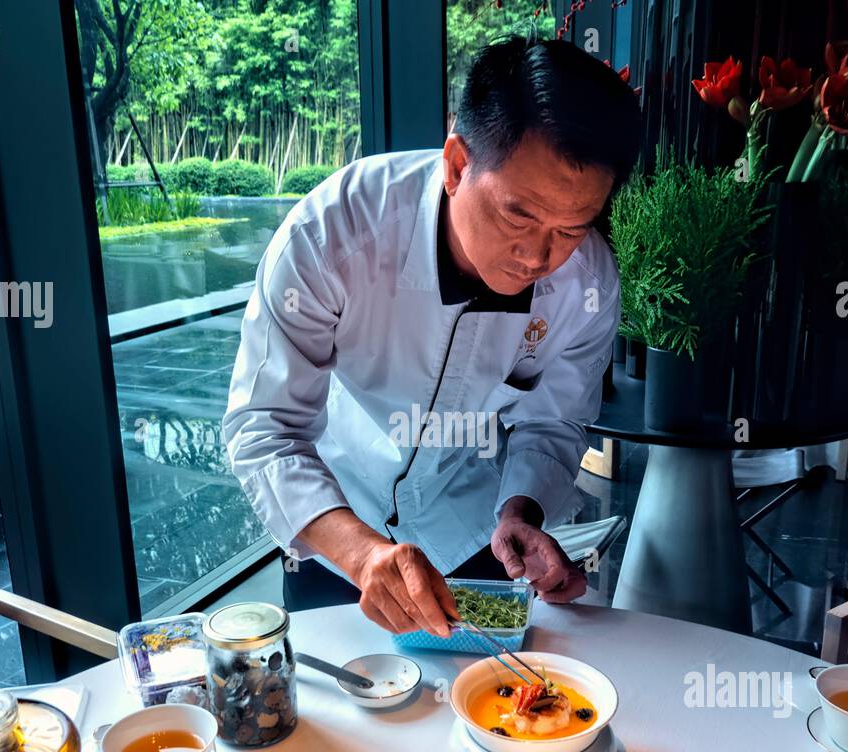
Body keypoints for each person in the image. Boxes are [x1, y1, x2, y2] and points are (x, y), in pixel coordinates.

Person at [222, 37, 642, 637]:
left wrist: (522, 513)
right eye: (517, 216)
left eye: (570, 229)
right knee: (343, 713)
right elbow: (264, 428)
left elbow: (553, 422)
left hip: (473, 537)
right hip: (336, 531)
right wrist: (363, 554)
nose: (537, 256)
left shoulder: (587, 282)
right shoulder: (331, 236)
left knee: (493, 705)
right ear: (456, 165)